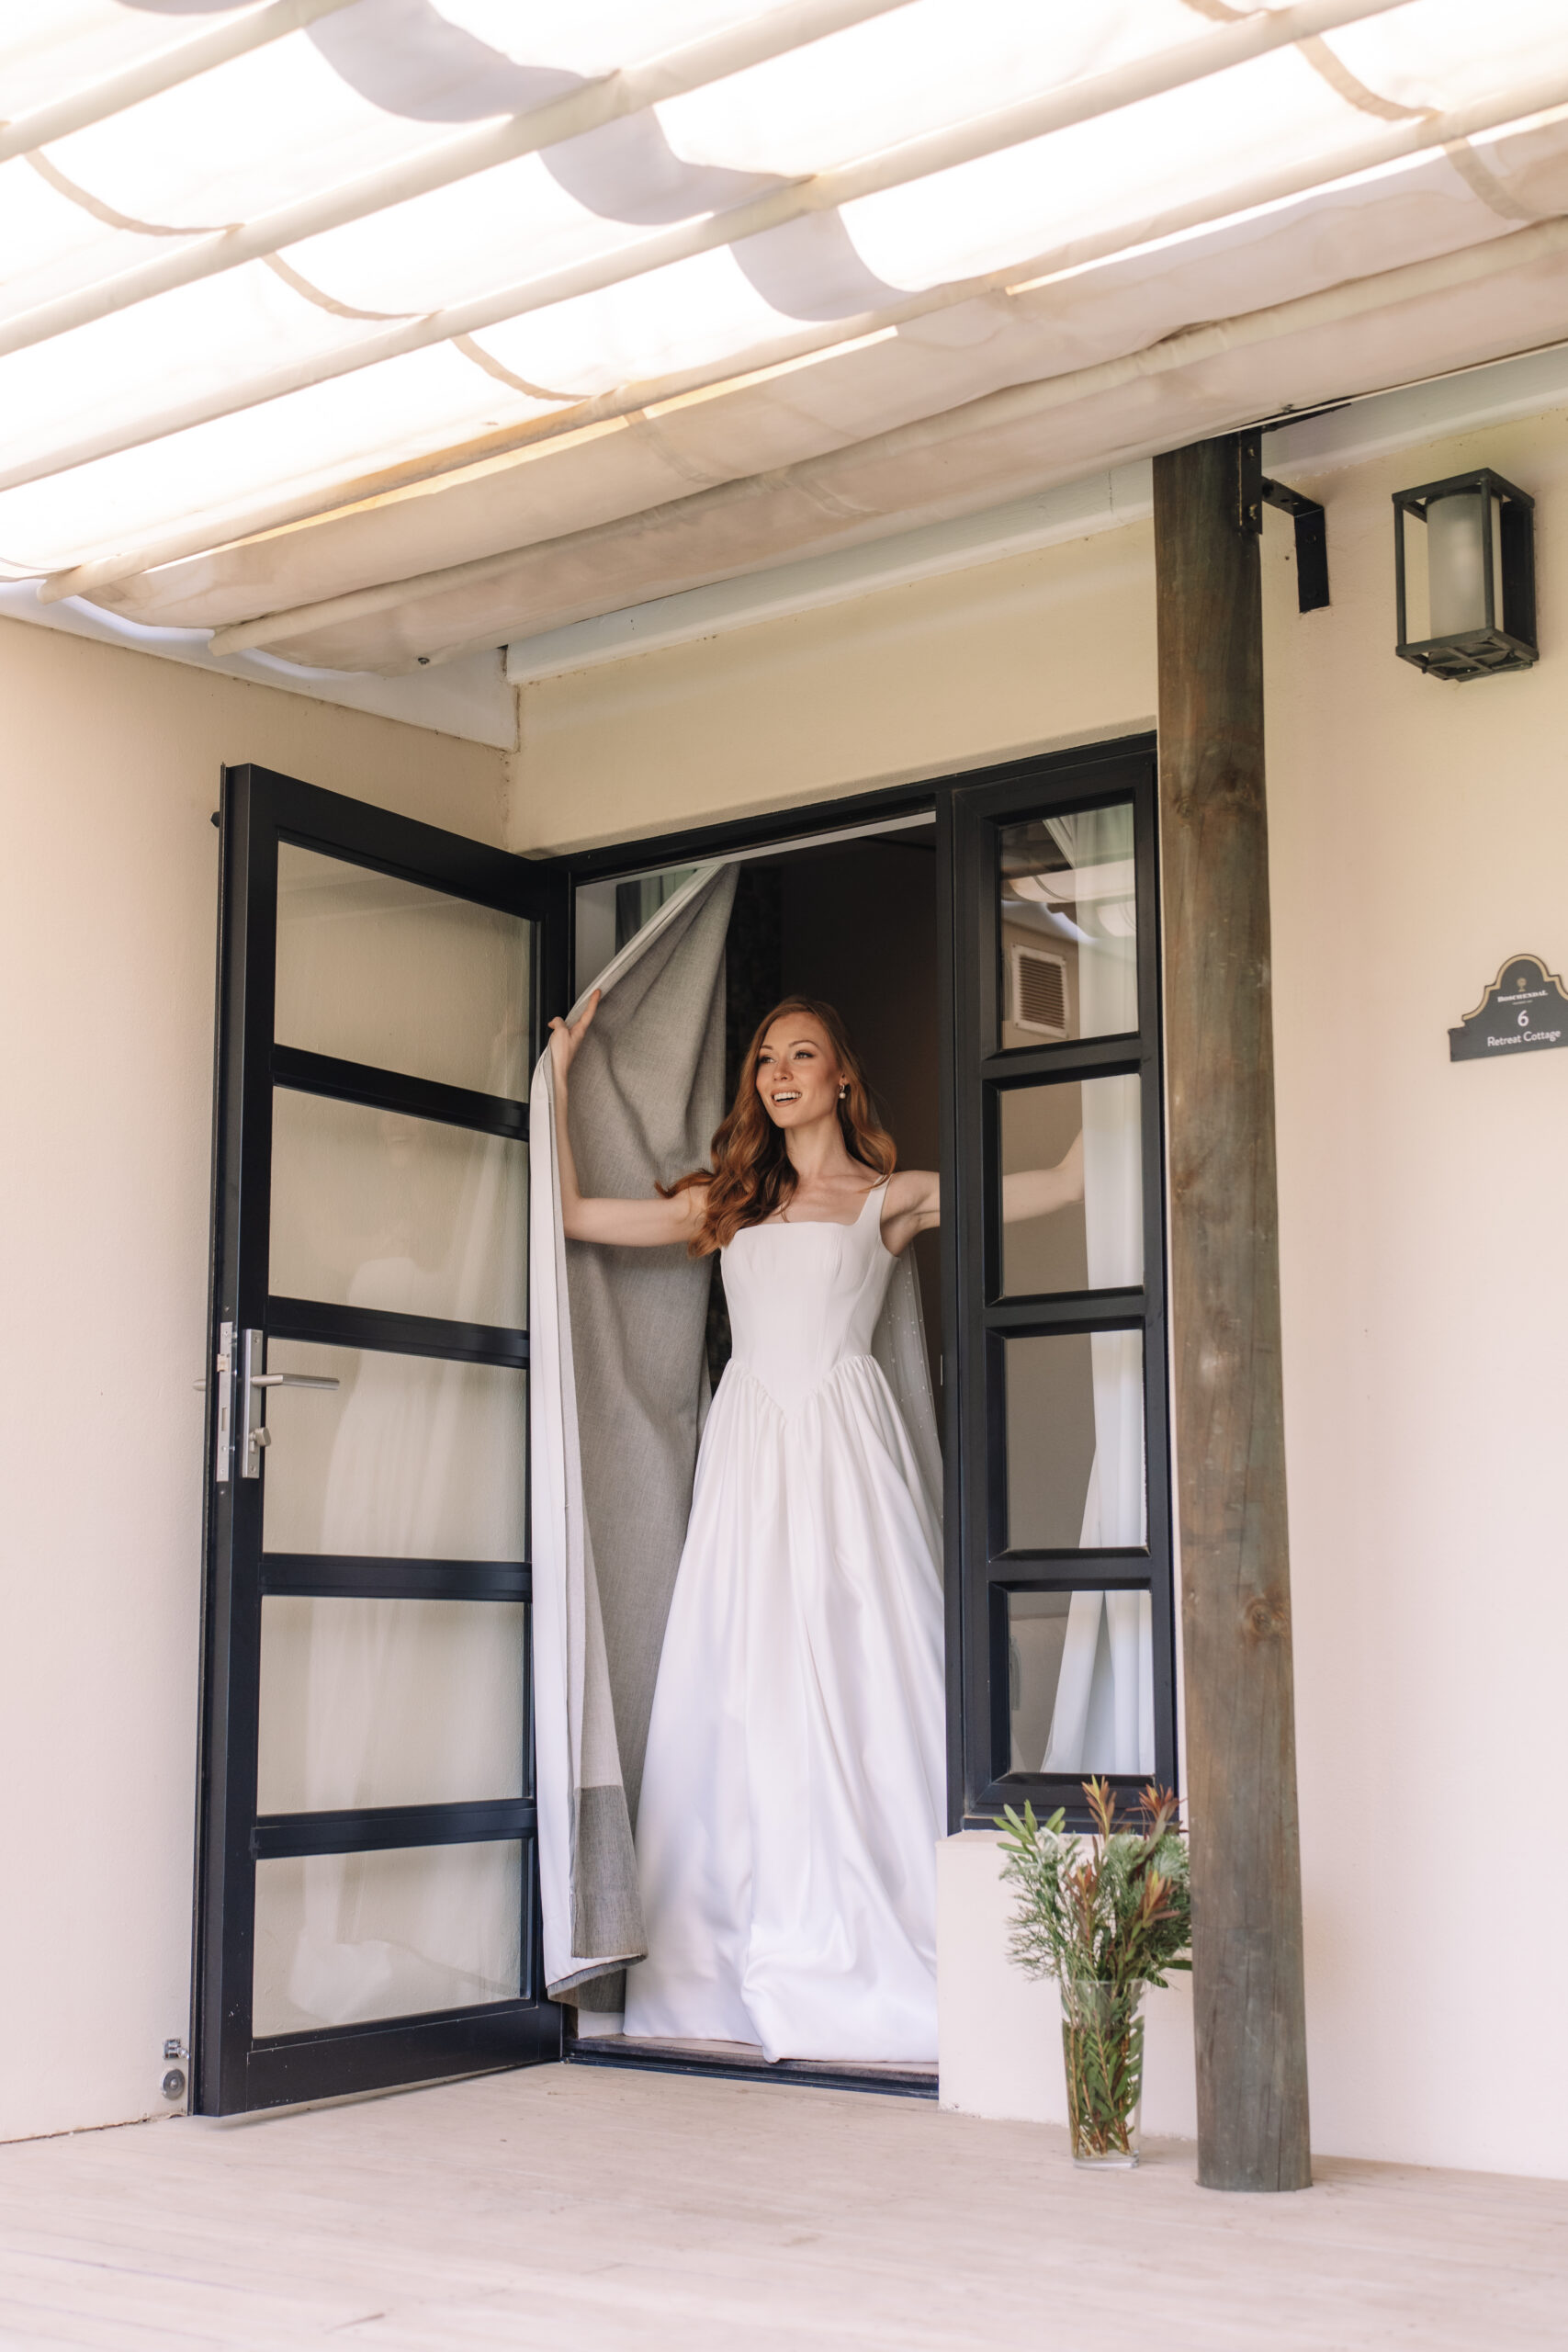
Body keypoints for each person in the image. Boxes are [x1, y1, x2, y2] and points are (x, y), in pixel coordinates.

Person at [548, 989, 1082, 2062]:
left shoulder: (889, 1197)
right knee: (743, 1683)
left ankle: (909, 1934)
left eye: (803, 1054)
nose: (779, 1071)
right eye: (764, 1059)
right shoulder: (729, 1204)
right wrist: (555, 1081)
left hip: (846, 1457)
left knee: (866, 1671)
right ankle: (732, 1941)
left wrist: (1113, 1063)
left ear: (843, 1077)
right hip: (750, 1457)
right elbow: (574, 1218)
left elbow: (1056, 1186)